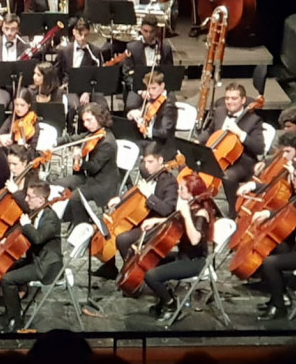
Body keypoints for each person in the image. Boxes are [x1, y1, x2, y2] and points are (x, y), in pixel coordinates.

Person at [97, 142, 179, 279]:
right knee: (106, 230)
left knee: (123, 239)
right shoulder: (150, 174)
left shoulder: (170, 182)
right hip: (143, 219)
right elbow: (136, 192)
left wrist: (149, 196)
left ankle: (135, 273)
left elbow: (167, 210)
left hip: (159, 224)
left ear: (160, 161)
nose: (146, 166)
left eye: (150, 162)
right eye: (145, 162)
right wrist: (121, 199)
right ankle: (111, 267)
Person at [141, 173, 216, 321]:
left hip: (195, 262)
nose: (178, 191)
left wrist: (187, 215)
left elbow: (195, 240)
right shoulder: (190, 206)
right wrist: (156, 220)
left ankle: (170, 303)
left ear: (192, 191)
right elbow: (176, 219)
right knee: (150, 260)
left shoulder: (201, 212)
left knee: (151, 276)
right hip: (183, 255)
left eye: (182, 188)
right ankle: (166, 295)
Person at [0, 181, 62, 333]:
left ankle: (16, 320)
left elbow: (38, 238)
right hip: (37, 259)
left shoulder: (50, 218)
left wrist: (27, 225)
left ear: (40, 200)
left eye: (29, 196)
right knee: (6, 268)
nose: (26, 200)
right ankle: (11, 312)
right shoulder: (38, 211)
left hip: (46, 266)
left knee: (7, 279)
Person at [196, 83, 265, 207]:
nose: (229, 102)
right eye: (227, 98)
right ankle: (202, 207)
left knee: (228, 176)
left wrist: (240, 133)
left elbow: (259, 148)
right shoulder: (220, 112)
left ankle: (234, 211)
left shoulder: (253, 120)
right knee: (189, 164)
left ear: (243, 100)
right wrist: (197, 141)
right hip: (218, 154)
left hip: (243, 162)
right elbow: (210, 132)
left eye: (234, 98)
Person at [54, 102, 120, 226]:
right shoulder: (93, 134)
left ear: (99, 118)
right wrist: (55, 142)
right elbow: (74, 138)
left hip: (103, 183)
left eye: (89, 120)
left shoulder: (108, 142)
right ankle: (66, 219)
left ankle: (82, 226)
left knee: (75, 197)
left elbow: (94, 167)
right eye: (84, 121)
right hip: (88, 177)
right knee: (58, 184)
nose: (85, 124)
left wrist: (80, 159)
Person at [253, 160, 296, 320]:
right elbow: (287, 209)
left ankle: (279, 307)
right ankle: (278, 298)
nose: (293, 179)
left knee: (270, 262)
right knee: (271, 246)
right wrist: (268, 214)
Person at [122, 18, 175, 109]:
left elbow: (169, 71)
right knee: (132, 105)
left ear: (157, 31)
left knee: (171, 104)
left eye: (152, 31)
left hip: (159, 86)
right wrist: (141, 91)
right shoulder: (131, 47)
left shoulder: (165, 48)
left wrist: (159, 89)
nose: (148, 35)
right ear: (141, 29)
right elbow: (127, 74)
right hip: (139, 86)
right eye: (145, 31)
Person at [125, 71, 178, 157]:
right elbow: (143, 112)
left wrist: (148, 130)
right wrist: (133, 113)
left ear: (162, 86)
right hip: (149, 140)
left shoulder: (169, 106)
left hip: (162, 144)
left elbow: (165, 132)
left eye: (154, 88)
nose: (150, 92)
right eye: (148, 88)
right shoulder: (152, 99)